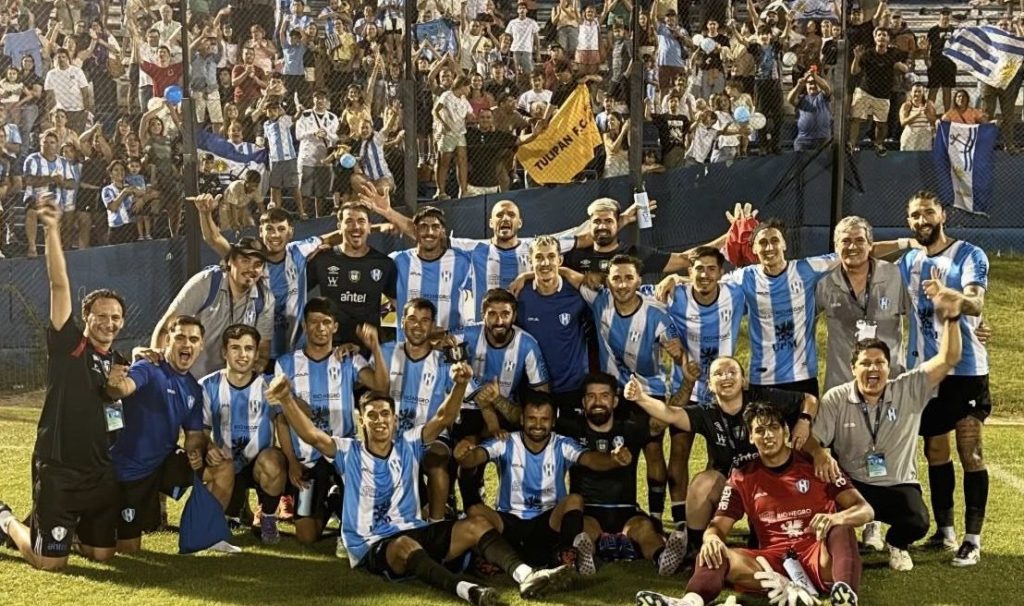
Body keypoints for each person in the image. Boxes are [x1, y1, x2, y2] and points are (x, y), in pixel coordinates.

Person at [268, 371, 576, 604]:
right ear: (362, 421)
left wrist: (459, 385)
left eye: (385, 414)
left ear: (395, 419)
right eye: (372, 415)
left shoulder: (408, 444)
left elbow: (443, 417)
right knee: (404, 546)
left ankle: (526, 575)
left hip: (416, 530)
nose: (379, 421)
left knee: (476, 524)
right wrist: (286, 398)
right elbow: (311, 435)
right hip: (372, 544)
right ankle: (468, 591)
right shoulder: (348, 451)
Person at [635, 401, 874, 606]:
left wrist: (836, 518)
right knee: (713, 551)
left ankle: (845, 595)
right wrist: (711, 539)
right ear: (751, 437)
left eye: (773, 428)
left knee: (841, 528)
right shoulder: (742, 476)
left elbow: (865, 510)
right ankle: (690, 602)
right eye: (760, 430)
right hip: (772, 564)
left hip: (818, 556)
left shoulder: (818, 465)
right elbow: (718, 525)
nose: (768, 435)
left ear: (785, 431)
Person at [0, 204, 122, 570]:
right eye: (102, 316)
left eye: (116, 317)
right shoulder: (69, 344)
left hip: (99, 472)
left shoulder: (120, 360)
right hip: (59, 470)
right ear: (86, 317)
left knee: (103, 555)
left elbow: (116, 411)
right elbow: (59, 284)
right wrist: (52, 230)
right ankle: (6, 520)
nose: (109, 323)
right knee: (48, 563)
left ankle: (71, 529)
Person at [626, 356, 823, 568]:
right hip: (730, 486)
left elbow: (809, 400)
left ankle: (774, 540)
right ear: (710, 385)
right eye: (718, 374)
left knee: (762, 546)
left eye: (731, 372)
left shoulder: (763, 400)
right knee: (702, 484)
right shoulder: (707, 413)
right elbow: (671, 414)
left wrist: (804, 421)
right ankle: (695, 548)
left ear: (744, 381)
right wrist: (640, 398)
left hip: (768, 484)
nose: (725, 377)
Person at [814, 307, 962, 572]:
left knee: (918, 521)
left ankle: (896, 542)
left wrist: (952, 317)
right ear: (852, 368)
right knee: (820, 503)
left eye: (879, 363)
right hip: (853, 483)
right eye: (865, 363)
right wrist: (818, 452)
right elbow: (812, 440)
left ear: (888, 367)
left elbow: (948, 358)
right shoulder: (836, 397)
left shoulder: (908, 389)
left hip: (898, 483)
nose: (873, 368)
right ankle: (842, 539)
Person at [898, 191, 991, 567]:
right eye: (915, 215)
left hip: (966, 369)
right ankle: (945, 531)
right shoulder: (909, 261)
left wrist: (952, 298)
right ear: (909, 221)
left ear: (943, 215)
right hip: (926, 372)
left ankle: (972, 540)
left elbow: (976, 301)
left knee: (971, 450)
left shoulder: (969, 254)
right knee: (935, 451)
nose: (922, 220)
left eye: (928, 213)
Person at [454, 395, 634, 575]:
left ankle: (565, 555)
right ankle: (497, 558)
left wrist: (613, 459)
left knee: (575, 500)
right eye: (532, 418)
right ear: (522, 419)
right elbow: (474, 458)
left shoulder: (562, 444)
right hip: (509, 521)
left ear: (553, 421)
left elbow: (591, 460)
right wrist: (464, 456)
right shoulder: (506, 442)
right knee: (475, 511)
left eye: (544, 419)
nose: (538, 425)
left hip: (547, 522)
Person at [564, 255, 683, 524]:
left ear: (639, 281)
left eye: (628, 278)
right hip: (613, 392)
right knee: (612, 449)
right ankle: (608, 508)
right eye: (616, 278)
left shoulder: (656, 313)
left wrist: (678, 355)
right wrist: (526, 277)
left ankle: (655, 518)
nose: (622, 284)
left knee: (653, 450)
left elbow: (678, 353)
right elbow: (567, 274)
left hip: (648, 391)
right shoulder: (600, 299)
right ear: (608, 280)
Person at [273, 297, 388, 544]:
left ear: (335, 326)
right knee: (306, 536)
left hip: (344, 457)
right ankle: (334, 502)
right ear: (304, 326)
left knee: (365, 524)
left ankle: (342, 501)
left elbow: (381, 386)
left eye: (326, 322)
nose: (320, 328)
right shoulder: (286, 364)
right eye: (314, 322)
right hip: (307, 461)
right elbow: (281, 419)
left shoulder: (348, 358)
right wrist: (292, 462)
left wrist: (375, 348)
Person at [104, 316, 218, 553]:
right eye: (180, 337)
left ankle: (202, 529)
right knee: (127, 548)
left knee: (219, 466)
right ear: (167, 341)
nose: (187, 344)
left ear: (201, 346)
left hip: (159, 467)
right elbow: (123, 388)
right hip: (125, 471)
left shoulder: (193, 389)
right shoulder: (148, 368)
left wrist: (195, 451)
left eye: (193, 339)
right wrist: (115, 384)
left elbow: (194, 434)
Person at [556, 372, 687, 573]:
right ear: (583, 402)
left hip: (626, 511)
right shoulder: (571, 430)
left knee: (645, 530)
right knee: (585, 530)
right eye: (591, 396)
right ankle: (584, 556)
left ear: (615, 401)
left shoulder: (629, 429)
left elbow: (666, 417)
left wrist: (688, 382)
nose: (597, 402)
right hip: (589, 510)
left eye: (604, 396)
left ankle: (663, 558)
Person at [194, 200, 329, 363]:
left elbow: (331, 237)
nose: (275, 235)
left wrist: (338, 241)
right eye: (269, 229)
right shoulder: (249, 259)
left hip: (296, 351)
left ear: (290, 232)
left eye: (281, 229)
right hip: (256, 354)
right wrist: (205, 213)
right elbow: (214, 239)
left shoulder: (299, 250)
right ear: (261, 231)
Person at [455, 288, 550, 506]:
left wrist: (497, 401)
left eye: (505, 314)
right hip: (469, 409)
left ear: (514, 316)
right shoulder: (468, 334)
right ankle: (472, 507)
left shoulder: (527, 344)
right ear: (483, 315)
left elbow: (542, 395)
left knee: (518, 446)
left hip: (505, 406)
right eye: (492, 314)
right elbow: (442, 342)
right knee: (468, 453)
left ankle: (514, 505)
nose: (499, 321)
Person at [200, 324, 288, 544]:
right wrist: (208, 447)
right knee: (219, 521)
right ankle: (234, 508)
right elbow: (202, 430)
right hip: (226, 465)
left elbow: (286, 423)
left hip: (259, 465)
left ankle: (268, 517)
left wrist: (292, 462)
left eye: (249, 348)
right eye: (235, 348)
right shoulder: (208, 385)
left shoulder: (269, 386)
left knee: (273, 461)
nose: (242, 354)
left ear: (257, 354)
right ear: (224, 352)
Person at [152, 236, 275, 378]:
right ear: (230, 261)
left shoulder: (265, 299)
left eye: (258, 264)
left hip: (224, 385)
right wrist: (158, 374)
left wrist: (245, 380)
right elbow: (166, 328)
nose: (251, 269)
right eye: (245, 261)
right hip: (185, 378)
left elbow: (262, 351)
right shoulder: (207, 282)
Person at [816, 216, 908, 391]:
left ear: (870, 245)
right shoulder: (825, 283)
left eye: (859, 240)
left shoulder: (895, 276)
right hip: (843, 386)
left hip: (890, 384)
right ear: (836, 247)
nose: (852, 247)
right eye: (846, 241)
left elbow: (922, 317)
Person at [515, 236, 590, 418]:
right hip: (533, 385)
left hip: (572, 387)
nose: (545, 263)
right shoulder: (519, 294)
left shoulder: (577, 293)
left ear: (560, 260)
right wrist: (524, 276)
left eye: (551, 256)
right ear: (530, 261)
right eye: (539, 257)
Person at [306, 200, 398, 346]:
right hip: (332, 346)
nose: (356, 227)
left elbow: (391, 304)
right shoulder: (322, 259)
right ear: (339, 227)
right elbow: (297, 294)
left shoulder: (384, 263)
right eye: (349, 221)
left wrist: (385, 337)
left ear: (369, 227)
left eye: (361, 221)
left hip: (369, 346)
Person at [389, 206, 475, 339]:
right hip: (407, 346)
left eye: (435, 227)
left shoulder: (462, 262)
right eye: (423, 227)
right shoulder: (397, 260)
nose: (429, 232)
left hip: (448, 345)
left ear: (443, 231)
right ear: (415, 230)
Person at [849, 27, 909, 156]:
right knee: (856, 118)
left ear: (888, 39)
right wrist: (857, 58)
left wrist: (900, 66)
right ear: (875, 38)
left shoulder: (894, 53)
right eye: (879, 35)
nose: (881, 37)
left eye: (884, 35)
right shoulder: (867, 53)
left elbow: (906, 68)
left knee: (881, 124)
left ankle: (879, 144)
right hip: (865, 91)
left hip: (883, 94)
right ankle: (852, 145)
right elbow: (854, 71)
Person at [788, 69, 832, 151]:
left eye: (815, 83)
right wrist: (799, 85)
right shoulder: (802, 98)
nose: (813, 86)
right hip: (803, 140)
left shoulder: (823, 97)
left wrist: (814, 75)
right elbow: (790, 99)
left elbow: (827, 89)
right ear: (806, 85)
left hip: (823, 140)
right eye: (810, 83)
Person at [899, 83, 937, 152]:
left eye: (919, 91)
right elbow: (903, 122)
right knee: (907, 157)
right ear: (911, 93)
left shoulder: (929, 104)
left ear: (923, 93)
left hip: (925, 136)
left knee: (923, 157)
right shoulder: (906, 105)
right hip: (910, 136)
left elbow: (934, 122)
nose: (917, 94)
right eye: (915, 91)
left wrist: (927, 114)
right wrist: (916, 114)